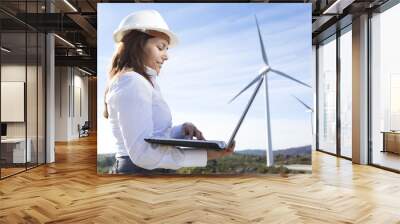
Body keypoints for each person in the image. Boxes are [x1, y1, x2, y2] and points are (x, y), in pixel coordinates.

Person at [103, 10, 235, 174]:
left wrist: (181, 130)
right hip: (141, 172)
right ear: (138, 45)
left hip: (146, 170)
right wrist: (204, 155)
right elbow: (143, 153)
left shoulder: (143, 82)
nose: (166, 56)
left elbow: (150, 136)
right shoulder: (132, 82)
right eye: (160, 47)